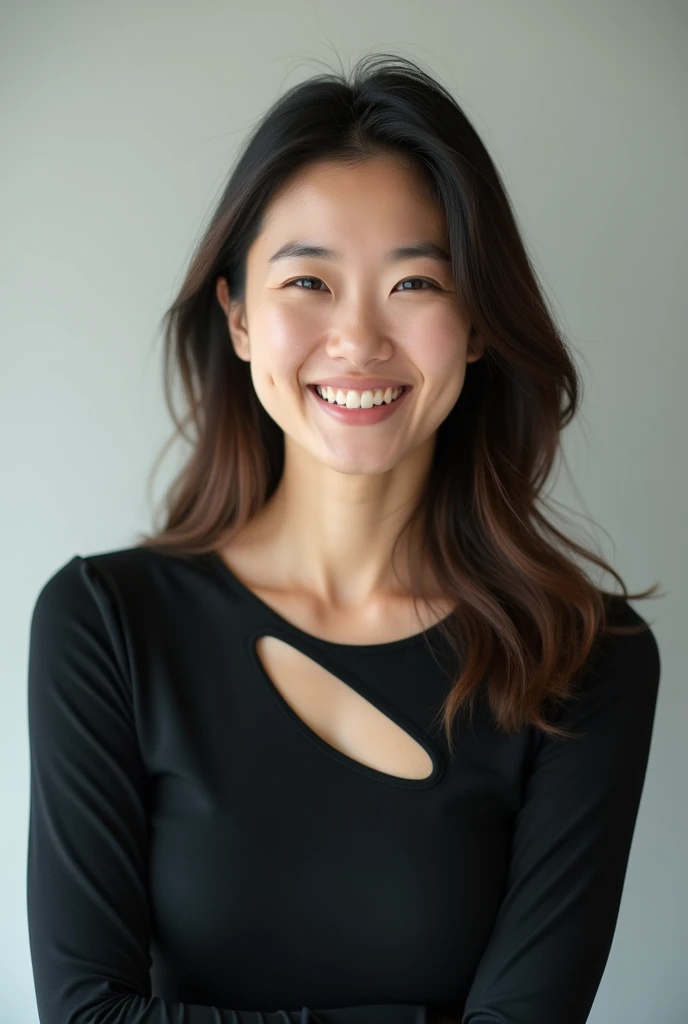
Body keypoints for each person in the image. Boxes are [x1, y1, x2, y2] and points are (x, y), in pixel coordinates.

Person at [26, 53, 663, 1024]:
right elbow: (83, 1014)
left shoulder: (586, 658)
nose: (359, 339)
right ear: (237, 314)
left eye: (414, 283)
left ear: (479, 321)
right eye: (308, 282)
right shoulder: (103, 625)